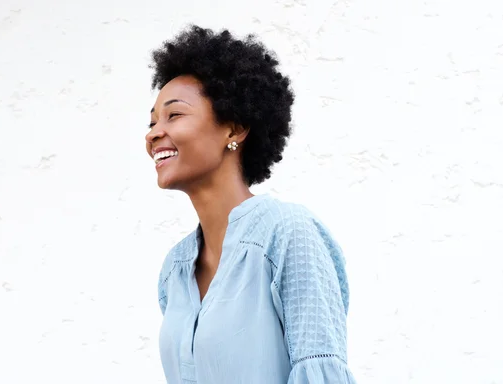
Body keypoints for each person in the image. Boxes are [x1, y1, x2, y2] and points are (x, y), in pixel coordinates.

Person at [146, 25, 357, 383]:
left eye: (174, 115)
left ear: (235, 128)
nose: (153, 133)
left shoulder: (287, 233)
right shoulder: (175, 271)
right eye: (152, 122)